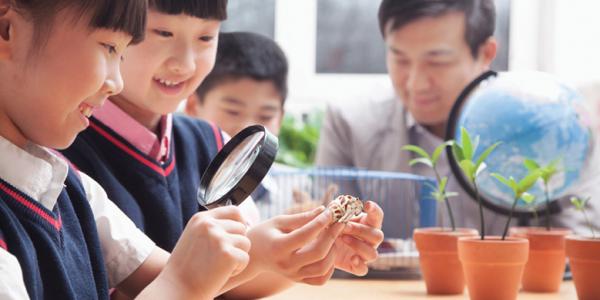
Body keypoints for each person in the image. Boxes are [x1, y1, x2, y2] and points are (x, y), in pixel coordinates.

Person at [62, 1, 384, 298]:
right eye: (162, 32)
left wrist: (310, 249)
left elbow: (229, 287)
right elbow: (163, 281)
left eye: (206, 38)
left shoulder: (212, 143)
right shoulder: (64, 148)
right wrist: (263, 254)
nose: (185, 63)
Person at [0, 0, 253, 299]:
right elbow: (177, 278)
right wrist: (183, 284)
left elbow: (163, 273)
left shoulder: (70, 187)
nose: (116, 83)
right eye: (108, 47)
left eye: (121, 54)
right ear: (7, 29)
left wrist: (272, 249)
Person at [186, 31, 309, 219]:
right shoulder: (181, 189)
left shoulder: (297, 190)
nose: (248, 128)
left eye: (266, 115)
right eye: (232, 111)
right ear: (193, 106)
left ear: (280, 118)